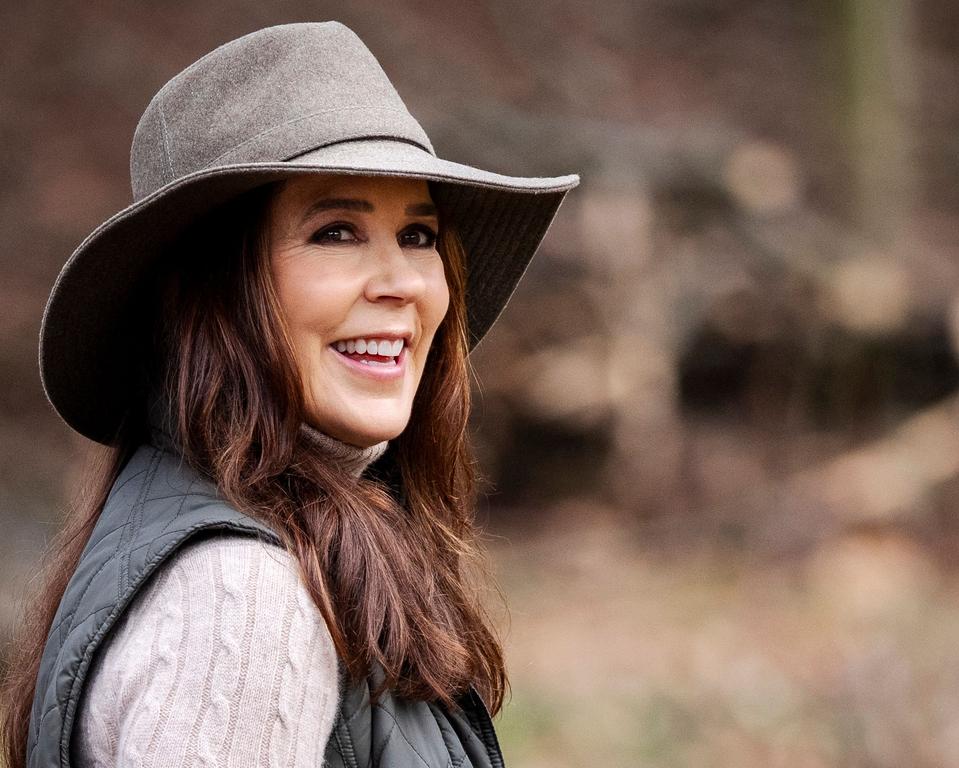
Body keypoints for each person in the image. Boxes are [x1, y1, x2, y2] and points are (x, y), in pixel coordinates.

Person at [1, 21, 578, 768]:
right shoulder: (238, 600)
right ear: (211, 297)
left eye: (419, 235)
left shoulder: (245, 539)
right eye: (336, 232)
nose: (401, 284)